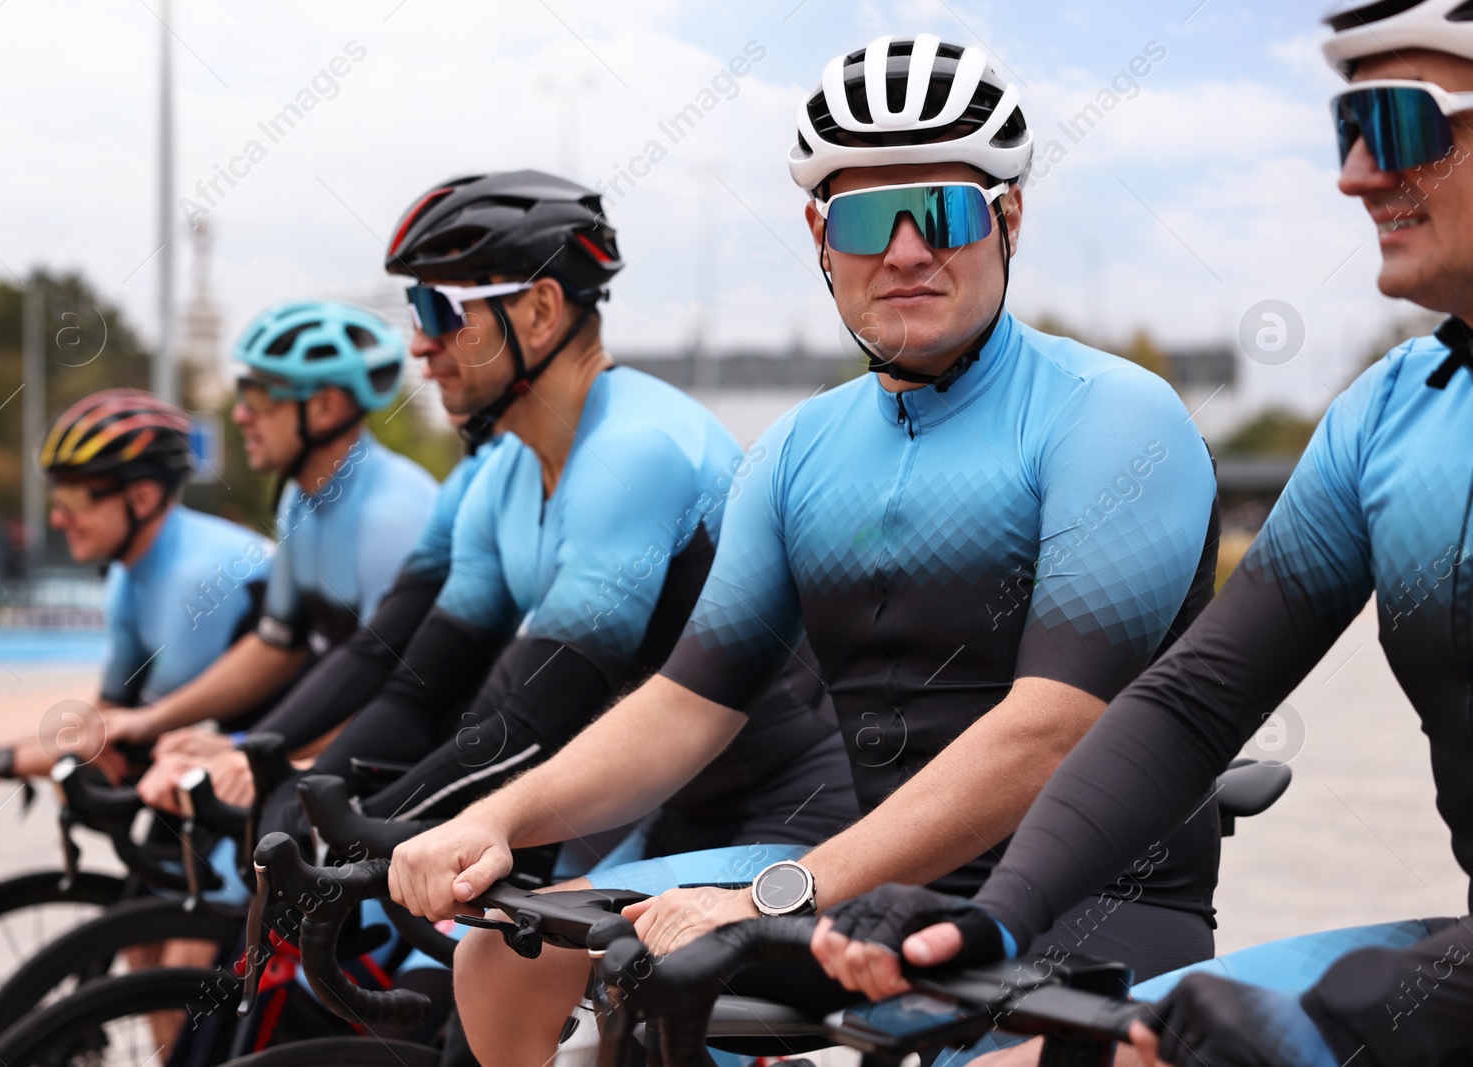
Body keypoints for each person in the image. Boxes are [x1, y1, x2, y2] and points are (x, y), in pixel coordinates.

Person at [390, 35, 1223, 1067]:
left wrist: (776, 892)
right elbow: (689, 701)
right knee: (505, 950)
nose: (907, 251)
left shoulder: (1114, 416)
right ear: (820, 235)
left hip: (1090, 898)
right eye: (870, 218)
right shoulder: (794, 450)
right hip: (858, 884)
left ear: (1007, 220)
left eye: (947, 212)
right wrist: (498, 815)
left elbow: (1052, 731)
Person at [814, 7, 1473, 1067]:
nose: (1355, 174)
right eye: (1345, 127)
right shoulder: (1391, 412)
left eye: (1396, 125)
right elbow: (1191, 700)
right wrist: (1001, 913)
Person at [248, 169, 855, 865]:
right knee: (479, 961)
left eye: (440, 310)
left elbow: (538, 719)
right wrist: (307, 797)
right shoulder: (506, 473)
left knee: (500, 963)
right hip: (674, 810)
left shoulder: (635, 450)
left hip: (793, 808)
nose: (420, 344)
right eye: (415, 312)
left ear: (539, 311)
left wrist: (360, 825)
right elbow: (420, 690)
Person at [124, 299, 440, 804]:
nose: (242, 414)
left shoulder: (392, 515)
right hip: (363, 736)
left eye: (260, 394)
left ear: (325, 408)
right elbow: (278, 645)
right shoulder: (300, 499)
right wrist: (153, 722)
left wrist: (250, 753)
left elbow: (402, 695)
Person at [0, 390, 271, 796]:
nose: (57, 518)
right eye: (55, 497)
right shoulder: (127, 573)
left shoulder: (200, 573)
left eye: (73, 499)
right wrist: (7, 749)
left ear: (143, 498)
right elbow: (109, 713)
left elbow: (131, 734)